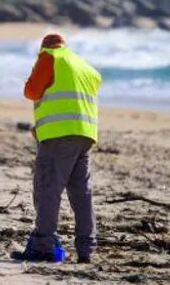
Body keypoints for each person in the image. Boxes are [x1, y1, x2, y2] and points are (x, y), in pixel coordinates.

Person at [11, 33, 101, 263]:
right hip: (84, 135)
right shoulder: (83, 65)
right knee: (82, 194)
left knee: (47, 189)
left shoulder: (49, 56)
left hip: (58, 137)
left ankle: (43, 246)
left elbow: (31, 91)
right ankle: (87, 249)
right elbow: (71, 100)